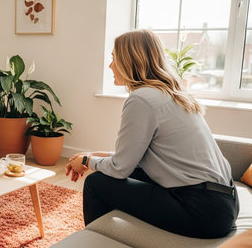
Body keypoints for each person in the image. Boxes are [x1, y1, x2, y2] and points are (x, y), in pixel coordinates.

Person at [66, 29, 239, 239]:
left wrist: (86, 160)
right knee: (119, 172)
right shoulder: (172, 94)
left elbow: (120, 169)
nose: (110, 65)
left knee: (97, 183)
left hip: (201, 210)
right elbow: (133, 159)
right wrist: (93, 156)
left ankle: (96, 241)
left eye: (113, 58)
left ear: (129, 61)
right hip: (224, 203)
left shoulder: (141, 99)